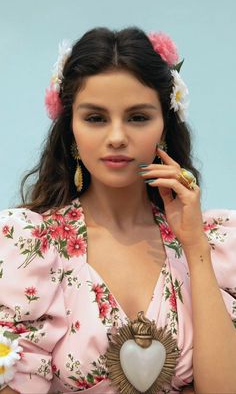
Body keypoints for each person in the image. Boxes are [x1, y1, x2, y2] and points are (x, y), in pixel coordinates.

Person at [0, 26, 235, 394]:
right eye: (95, 118)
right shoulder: (28, 249)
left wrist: (195, 247)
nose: (116, 137)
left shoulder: (214, 244)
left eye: (138, 117)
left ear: (164, 126)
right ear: (71, 129)